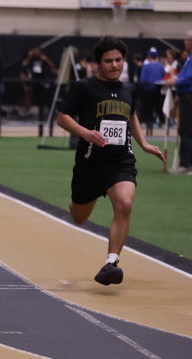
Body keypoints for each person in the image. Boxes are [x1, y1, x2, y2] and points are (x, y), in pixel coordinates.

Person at [56, 36, 166, 285]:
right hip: (89, 165)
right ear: (99, 63)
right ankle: (77, 203)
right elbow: (62, 117)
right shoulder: (85, 87)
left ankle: (111, 263)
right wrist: (85, 133)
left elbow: (131, 115)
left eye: (118, 60)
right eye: (109, 61)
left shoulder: (129, 89)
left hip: (121, 162)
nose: (115, 65)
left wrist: (143, 143)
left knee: (124, 204)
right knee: (79, 218)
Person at [176, 30, 192, 174]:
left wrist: (175, 81)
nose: (184, 42)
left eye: (186, 39)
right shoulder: (189, 58)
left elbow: (188, 78)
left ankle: (185, 164)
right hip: (185, 95)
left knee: (186, 130)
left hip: (189, 97)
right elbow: (182, 75)